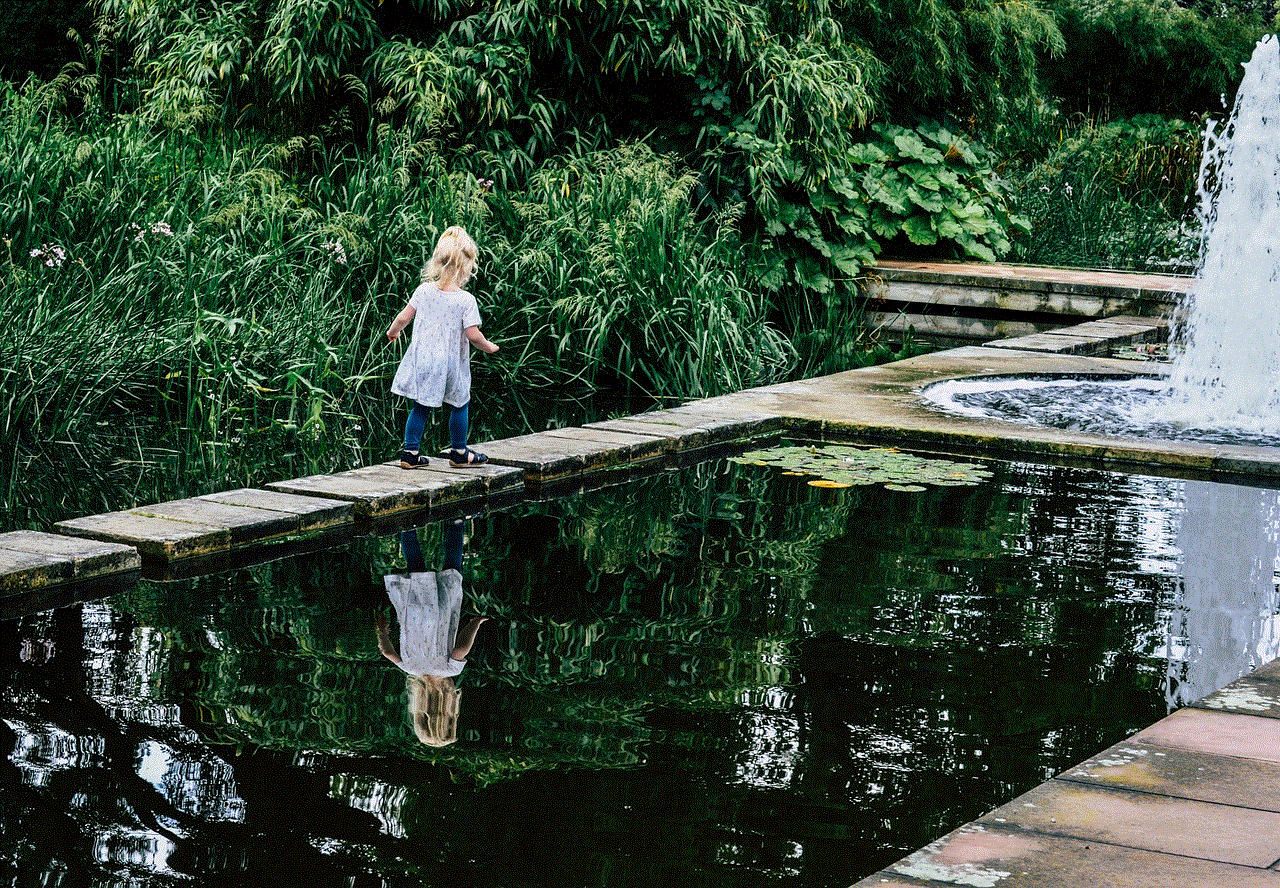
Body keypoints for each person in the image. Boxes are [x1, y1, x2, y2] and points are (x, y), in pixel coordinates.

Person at [386, 225, 499, 469]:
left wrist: (392, 332)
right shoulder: (465, 300)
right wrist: (488, 346)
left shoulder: (423, 290)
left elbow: (403, 318)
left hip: (423, 359)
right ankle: (459, 451)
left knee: (421, 405)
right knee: (460, 402)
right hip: (450, 363)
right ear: (465, 266)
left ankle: (410, 453)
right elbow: (473, 334)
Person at [376, 523, 488, 747]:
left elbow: (461, 649)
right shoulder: (410, 667)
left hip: (443, 612)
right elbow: (387, 651)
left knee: (453, 567)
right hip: (416, 611)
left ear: (450, 709)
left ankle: (456, 522)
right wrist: (382, 629)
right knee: (415, 564)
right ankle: (407, 528)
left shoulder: (451, 669)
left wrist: (475, 623)